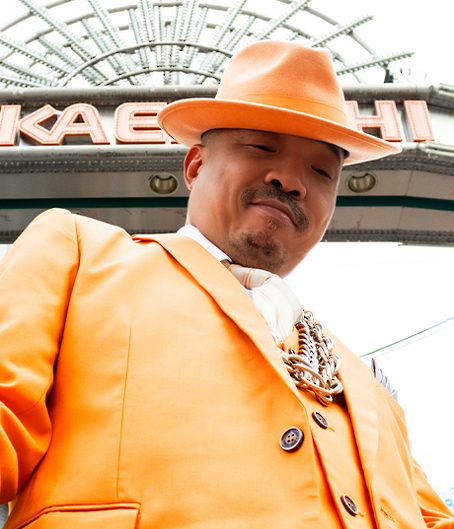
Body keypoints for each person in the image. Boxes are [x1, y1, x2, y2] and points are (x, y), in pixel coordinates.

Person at [0, 41, 452, 529]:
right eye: (261, 147)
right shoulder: (79, 254)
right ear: (194, 166)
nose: (291, 180)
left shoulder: (364, 380)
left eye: (322, 171)